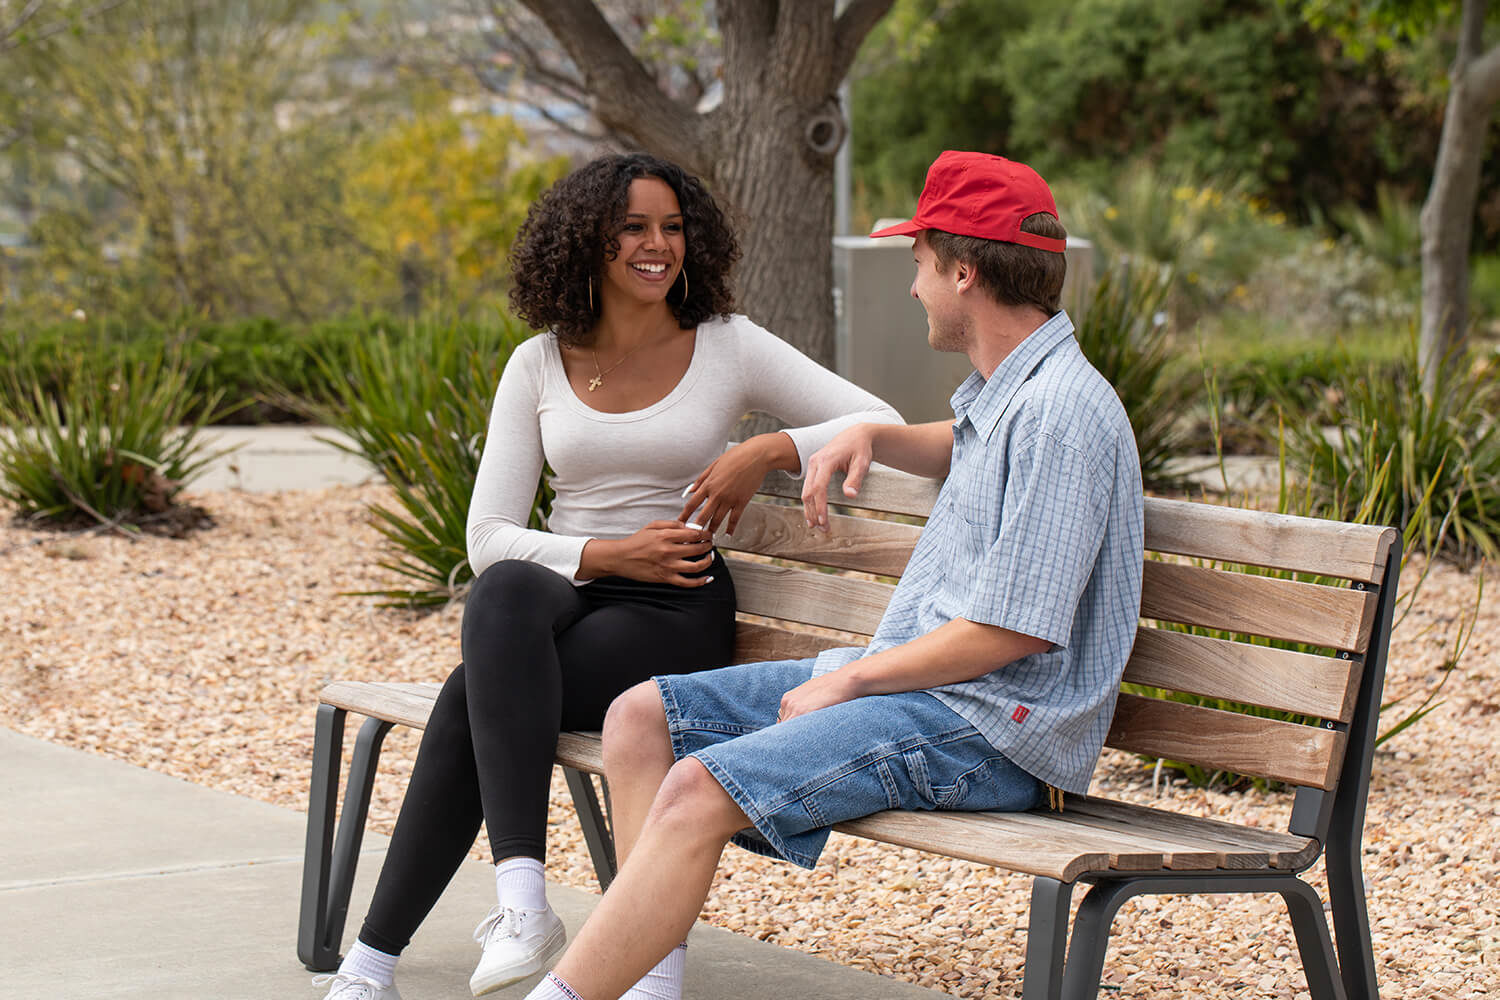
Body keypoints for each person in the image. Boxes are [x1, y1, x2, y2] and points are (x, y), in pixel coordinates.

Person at [518, 150, 1147, 1000]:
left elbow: (1015, 631)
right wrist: (874, 435)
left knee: (699, 787)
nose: (912, 286)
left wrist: (849, 680)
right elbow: (961, 449)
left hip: (993, 729)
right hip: (934, 695)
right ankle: (646, 989)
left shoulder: (1062, 414)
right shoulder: (1009, 391)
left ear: (964, 271)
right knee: (639, 719)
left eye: (918, 264)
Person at [313, 152, 903, 1000]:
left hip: (676, 603)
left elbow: (876, 419)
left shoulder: (727, 347)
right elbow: (489, 536)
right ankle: (517, 900)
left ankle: (374, 969)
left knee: (465, 693)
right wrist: (604, 554)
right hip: (569, 593)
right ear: (587, 243)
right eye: (633, 227)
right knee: (505, 589)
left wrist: (771, 447)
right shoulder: (539, 364)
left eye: (671, 226)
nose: (657, 245)